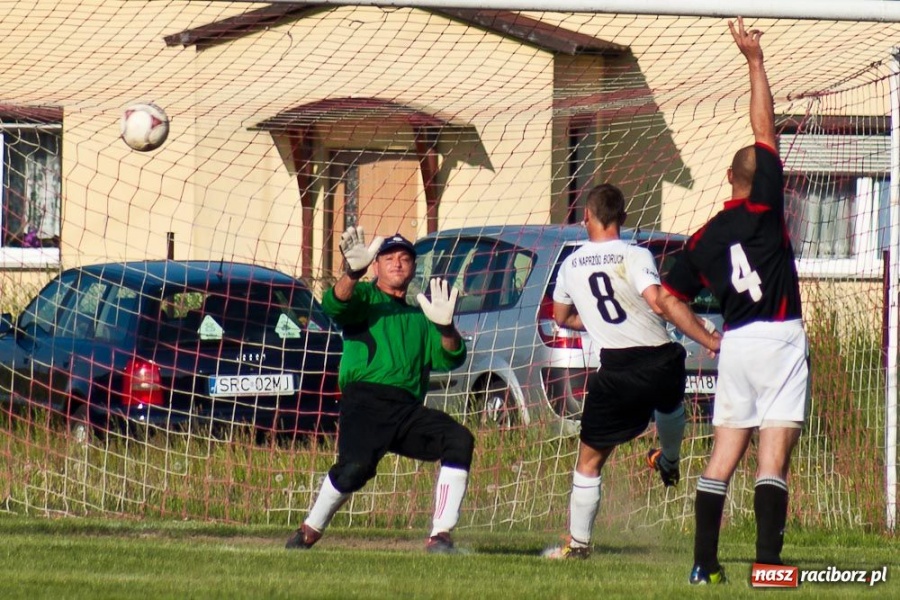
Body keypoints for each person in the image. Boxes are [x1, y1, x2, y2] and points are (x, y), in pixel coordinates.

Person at [656, 18, 809, 585]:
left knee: (723, 458)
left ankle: (703, 565)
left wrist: (707, 338)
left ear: (727, 178)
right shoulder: (767, 208)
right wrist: (754, 61)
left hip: (737, 345)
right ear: (764, 177)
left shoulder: (703, 239)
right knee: (773, 459)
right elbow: (765, 128)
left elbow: (666, 299)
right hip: (782, 335)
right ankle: (767, 565)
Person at [545, 183, 719, 560]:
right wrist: (708, 337)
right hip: (659, 359)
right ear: (622, 219)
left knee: (589, 461)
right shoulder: (635, 254)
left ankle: (578, 547)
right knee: (671, 405)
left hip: (618, 369)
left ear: (586, 216)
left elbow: (561, 317)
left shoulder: (570, 264)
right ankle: (670, 459)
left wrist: (593, 322)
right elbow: (657, 302)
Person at [285, 226, 474, 554]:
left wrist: (446, 327)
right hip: (365, 400)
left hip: (407, 408)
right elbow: (335, 306)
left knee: (459, 440)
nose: (397, 263)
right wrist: (352, 273)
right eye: (389, 258)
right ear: (376, 266)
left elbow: (451, 356)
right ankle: (309, 531)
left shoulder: (422, 314)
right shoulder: (366, 298)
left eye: (404, 258)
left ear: (413, 267)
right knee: (355, 470)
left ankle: (440, 536)